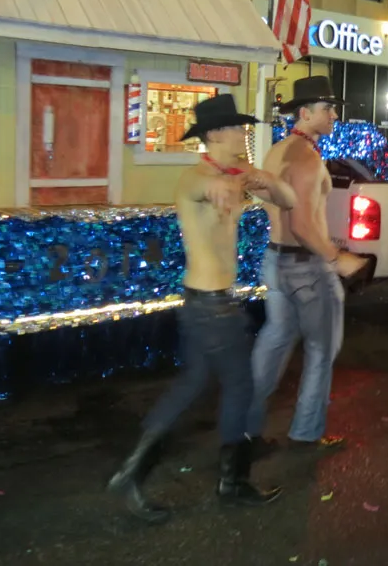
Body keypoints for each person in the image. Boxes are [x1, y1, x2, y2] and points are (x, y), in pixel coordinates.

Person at [107, 94, 296, 524]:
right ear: (214, 134)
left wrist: (262, 178)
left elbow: (288, 200)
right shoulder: (195, 178)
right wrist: (224, 185)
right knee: (241, 387)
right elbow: (202, 187)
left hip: (205, 305)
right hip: (212, 309)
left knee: (192, 385)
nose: (244, 134)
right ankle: (232, 483)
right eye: (237, 128)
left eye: (244, 128)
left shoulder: (239, 172)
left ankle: (131, 473)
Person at [246, 76, 368, 456]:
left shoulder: (277, 151)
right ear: (305, 113)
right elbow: (301, 225)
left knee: (275, 341)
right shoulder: (306, 158)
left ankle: (243, 429)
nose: (334, 115)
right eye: (327, 108)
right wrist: (337, 258)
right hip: (307, 265)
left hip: (275, 259)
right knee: (321, 349)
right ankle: (306, 434)